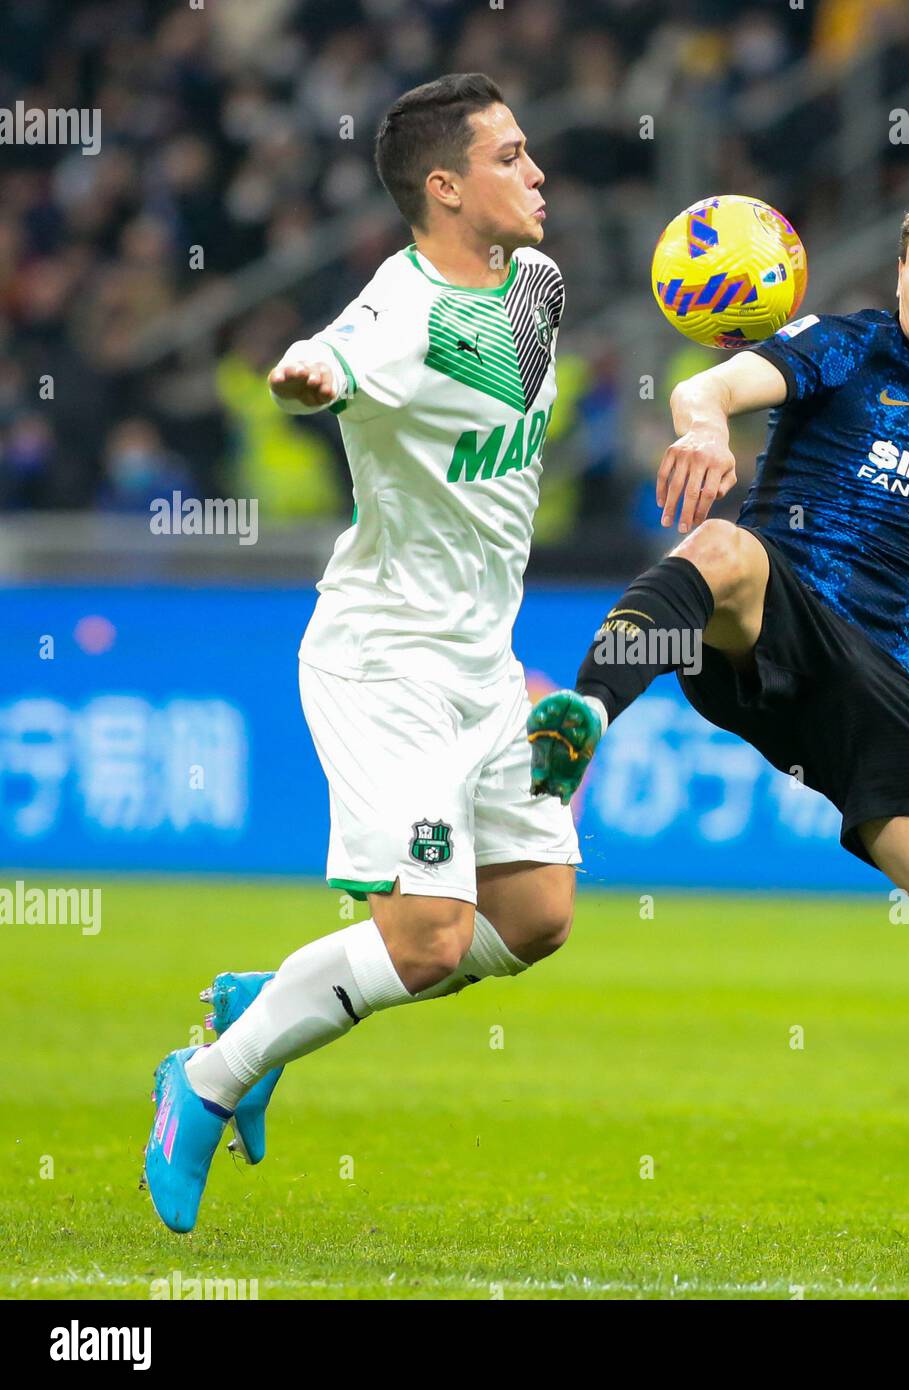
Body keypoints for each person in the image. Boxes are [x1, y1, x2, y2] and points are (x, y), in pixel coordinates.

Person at [529, 184, 909, 1258]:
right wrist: (701, 427)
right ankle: (582, 712)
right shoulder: (844, 345)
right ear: (899, 273)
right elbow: (716, 383)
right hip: (761, 622)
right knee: (728, 548)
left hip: (866, 688)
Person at [143, 73, 578, 1234]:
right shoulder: (399, 308)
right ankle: (206, 1079)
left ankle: (274, 999)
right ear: (445, 187)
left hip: (483, 661)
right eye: (510, 156)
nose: (536, 174)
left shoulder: (536, 284)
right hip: (385, 661)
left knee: (535, 915)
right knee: (428, 941)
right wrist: (311, 379)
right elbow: (331, 353)